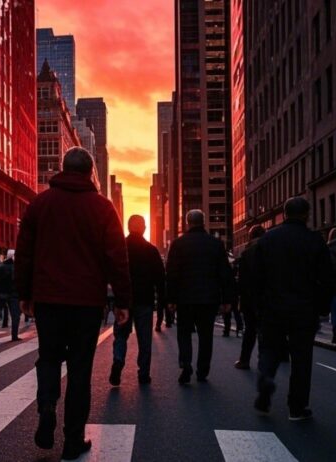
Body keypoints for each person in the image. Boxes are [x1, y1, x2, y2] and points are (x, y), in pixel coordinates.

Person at [16, 147, 131, 460]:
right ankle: (72, 440)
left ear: (62, 168)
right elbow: (116, 258)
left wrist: (25, 294)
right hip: (86, 302)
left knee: (49, 358)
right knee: (81, 368)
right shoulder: (103, 208)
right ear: (90, 172)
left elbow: (24, 253)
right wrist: (122, 300)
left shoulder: (39, 205)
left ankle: (46, 405)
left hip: (49, 300)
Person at [253, 197, 332, 421]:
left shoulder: (267, 240)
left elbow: (256, 277)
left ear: (284, 214)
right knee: (301, 359)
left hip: (272, 307)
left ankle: (266, 379)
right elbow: (326, 277)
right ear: (306, 214)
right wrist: (323, 307)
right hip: (303, 308)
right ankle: (297, 408)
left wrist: (258, 306)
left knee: (269, 349)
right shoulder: (314, 240)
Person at [166, 209, 236, 385]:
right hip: (208, 298)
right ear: (204, 222)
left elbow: (172, 274)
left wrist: (171, 299)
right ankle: (202, 370)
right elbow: (225, 274)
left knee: (184, 333)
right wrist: (227, 299)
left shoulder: (178, 244)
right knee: (206, 335)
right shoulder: (216, 244)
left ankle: (185, 363)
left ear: (188, 222)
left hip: (185, 298)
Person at [109, 215, 165, 386]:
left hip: (123, 300)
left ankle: (118, 360)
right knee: (144, 338)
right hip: (145, 300)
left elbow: (112, 273)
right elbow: (160, 279)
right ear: (144, 228)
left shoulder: (120, 248)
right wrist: (162, 301)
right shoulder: (151, 250)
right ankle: (144, 373)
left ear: (127, 227)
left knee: (120, 335)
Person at [234, 225, 266, 370]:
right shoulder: (271, 251)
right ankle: (268, 358)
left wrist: (240, 299)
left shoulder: (246, 254)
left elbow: (242, 281)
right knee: (268, 329)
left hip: (250, 298)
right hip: (268, 297)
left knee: (250, 330)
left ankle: (244, 360)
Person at [0, 249, 21, 341]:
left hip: (1, 294)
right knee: (15, 316)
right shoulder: (16, 267)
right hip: (13, 294)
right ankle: (14, 336)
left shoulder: (0, 266)